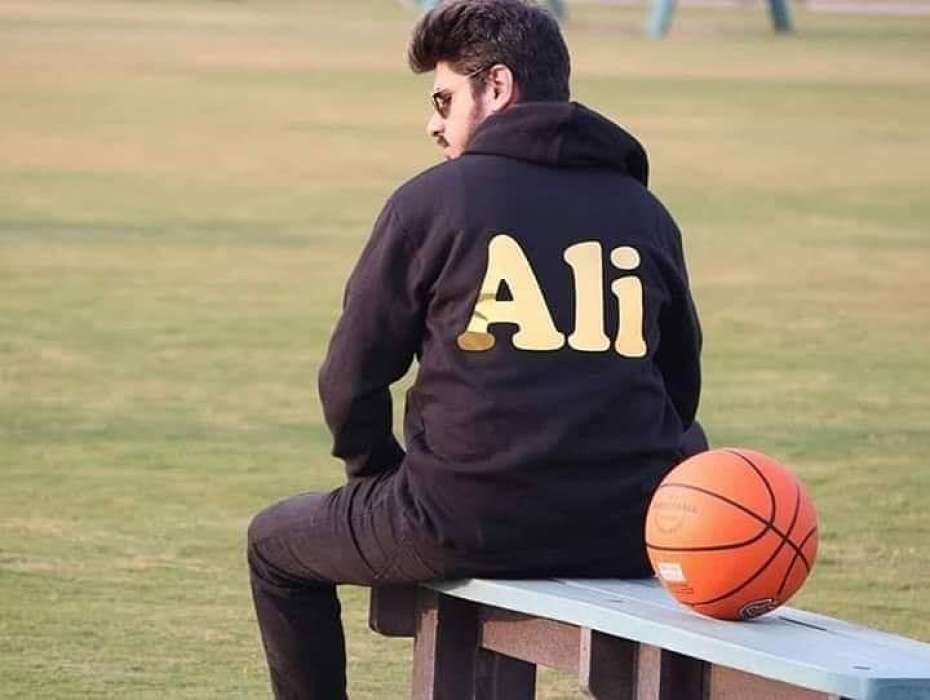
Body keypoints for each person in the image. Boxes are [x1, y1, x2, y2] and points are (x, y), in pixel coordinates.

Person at [247, 1, 706, 697]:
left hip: (461, 521)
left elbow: (350, 378)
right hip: (627, 529)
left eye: (443, 99)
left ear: (496, 86)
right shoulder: (647, 213)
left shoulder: (431, 202)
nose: (434, 123)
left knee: (273, 545)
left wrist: (377, 476)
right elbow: (681, 387)